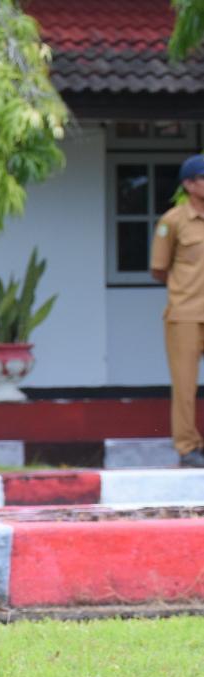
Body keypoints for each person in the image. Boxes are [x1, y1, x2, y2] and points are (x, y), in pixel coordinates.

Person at [151, 154, 204, 468]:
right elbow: (159, 268)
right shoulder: (172, 221)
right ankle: (187, 448)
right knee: (185, 386)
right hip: (184, 314)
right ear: (188, 184)